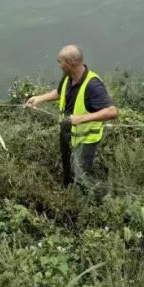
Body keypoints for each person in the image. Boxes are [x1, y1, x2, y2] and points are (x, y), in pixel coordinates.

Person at [24, 45, 118, 187]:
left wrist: (80, 119)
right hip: (67, 133)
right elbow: (60, 92)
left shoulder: (93, 85)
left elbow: (112, 112)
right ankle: (68, 190)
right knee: (68, 168)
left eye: (60, 61)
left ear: (69, 63)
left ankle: (94, 195)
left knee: (81, 175)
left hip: (84, 140)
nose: (59, 65)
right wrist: (39, 98)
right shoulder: (69, 77)